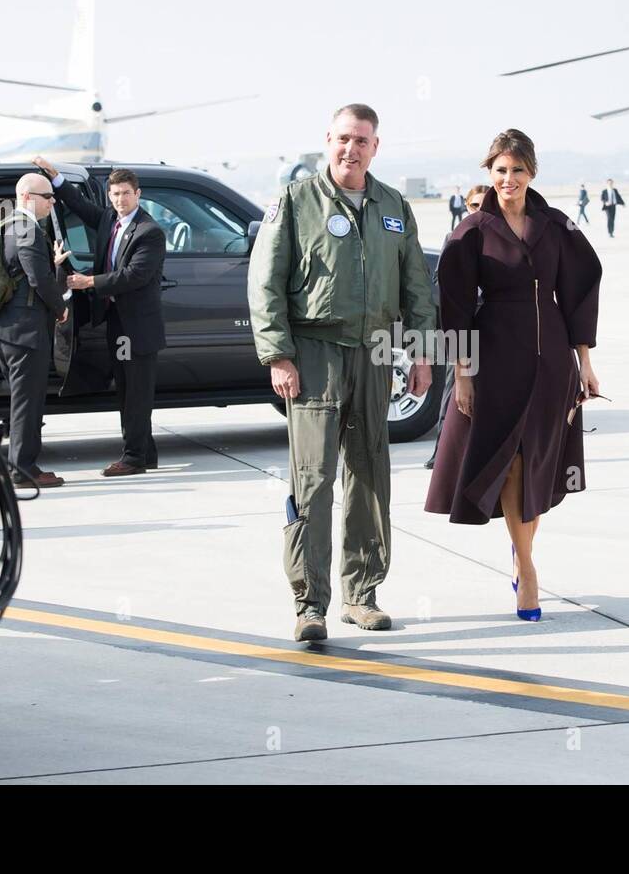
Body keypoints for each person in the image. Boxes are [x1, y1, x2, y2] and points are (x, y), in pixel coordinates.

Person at [248, 103, 436, 642]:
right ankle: (310, 604)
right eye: (343, 138)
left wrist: (421, 355)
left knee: (371, 476)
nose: (351, 149)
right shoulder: (295, 202)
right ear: (327, 140)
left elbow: (417, 290)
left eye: (362, 140)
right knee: (313, 479)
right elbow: (266, 283)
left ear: (376, 147)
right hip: (315, 354)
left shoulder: (393, 206)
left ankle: (362, 594)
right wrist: (278, 355)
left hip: (376, 353)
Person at [426, 129, 602, 622]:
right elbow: (455, 306)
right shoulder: (471, 232)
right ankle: (527, 569)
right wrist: (462, 374)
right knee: (513, 459)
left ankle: (521, 553)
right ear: (489, 174)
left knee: (543, 458)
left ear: (532, 173)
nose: (508, 179)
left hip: (551, 361)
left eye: (517, 171)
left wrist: (584, 360)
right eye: (500, 171)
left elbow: (580, 288)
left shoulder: (556, 226)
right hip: (496, 357)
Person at [35, 159, 167, 477]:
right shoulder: (111, 219)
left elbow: (133, 276)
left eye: (125, 193)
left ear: (138, 194)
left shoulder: (150, 232)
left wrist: (88, 282)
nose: (120, 199)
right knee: (126, 388)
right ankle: (145, 452)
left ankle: (134, 458)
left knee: (135, 391)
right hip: (117, 323)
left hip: (137, 328)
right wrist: (56, 179)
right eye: (114, 194)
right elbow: (80, 205)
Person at [0, 173, 69, 489]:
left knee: (23, 401)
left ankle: (23, 464)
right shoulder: (27, 229)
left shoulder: (10, 227)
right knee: (27, 403)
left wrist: (54, 265)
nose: (52, 202)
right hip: (24, 332)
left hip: (8, 329)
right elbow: (38, 279)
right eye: (48, 197)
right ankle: (23, 468)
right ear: (28, 197)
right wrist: (61, 308)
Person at [425, 184, 487, 470]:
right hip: (463, 329)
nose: (479, 210)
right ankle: (442, 453)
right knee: (453, 390)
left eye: (485, 204)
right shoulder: (455, 237)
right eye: (474, 205)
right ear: (466, 206)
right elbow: (440, 283)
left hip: (494, 327)